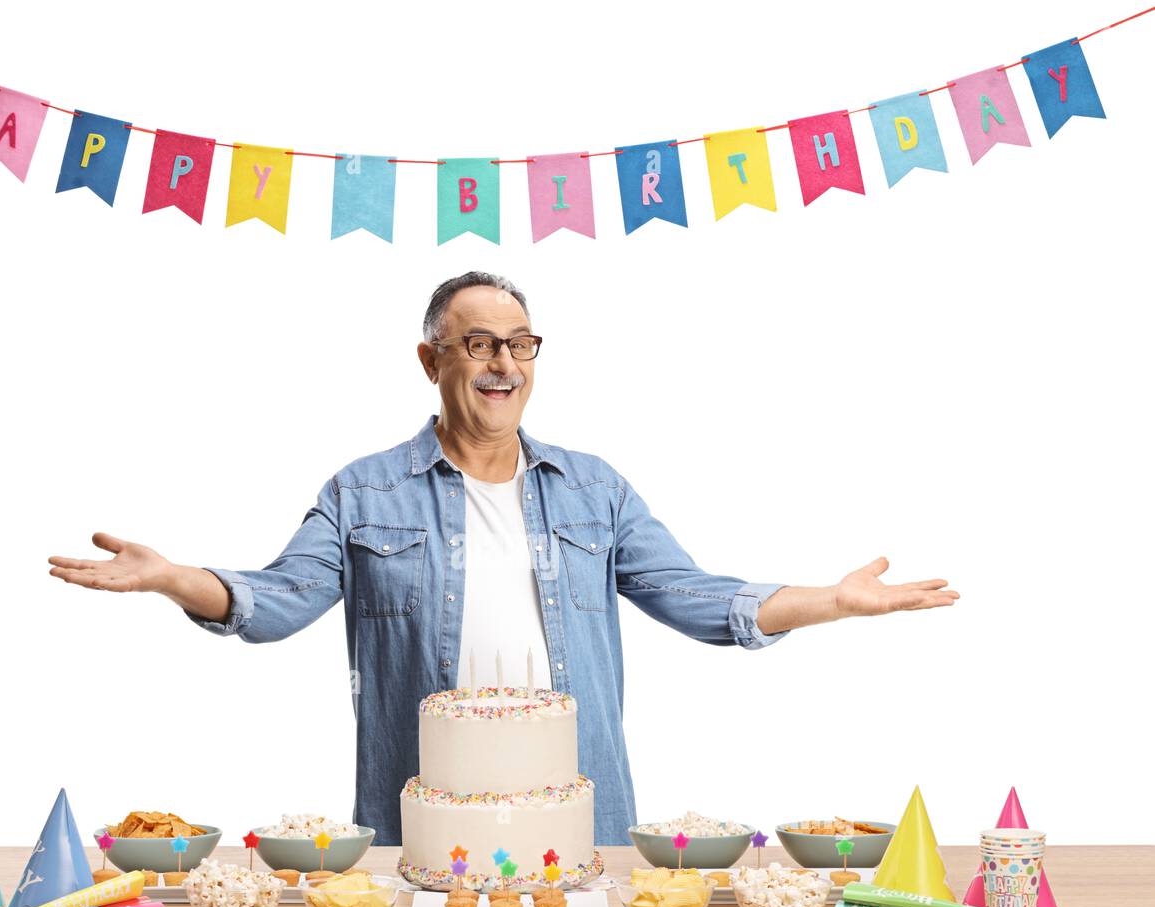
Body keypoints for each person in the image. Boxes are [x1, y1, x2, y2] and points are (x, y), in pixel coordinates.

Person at [49, 271, 959, 845]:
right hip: (423, 825)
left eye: (520, 343)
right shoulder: (363, 494)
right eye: (479, 342)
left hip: (579, 818)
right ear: (430, 358)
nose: (503, 363)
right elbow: (278, 600)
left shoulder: (593, 489)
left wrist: (833, 601)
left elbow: (698, 598)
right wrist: (176, 580)